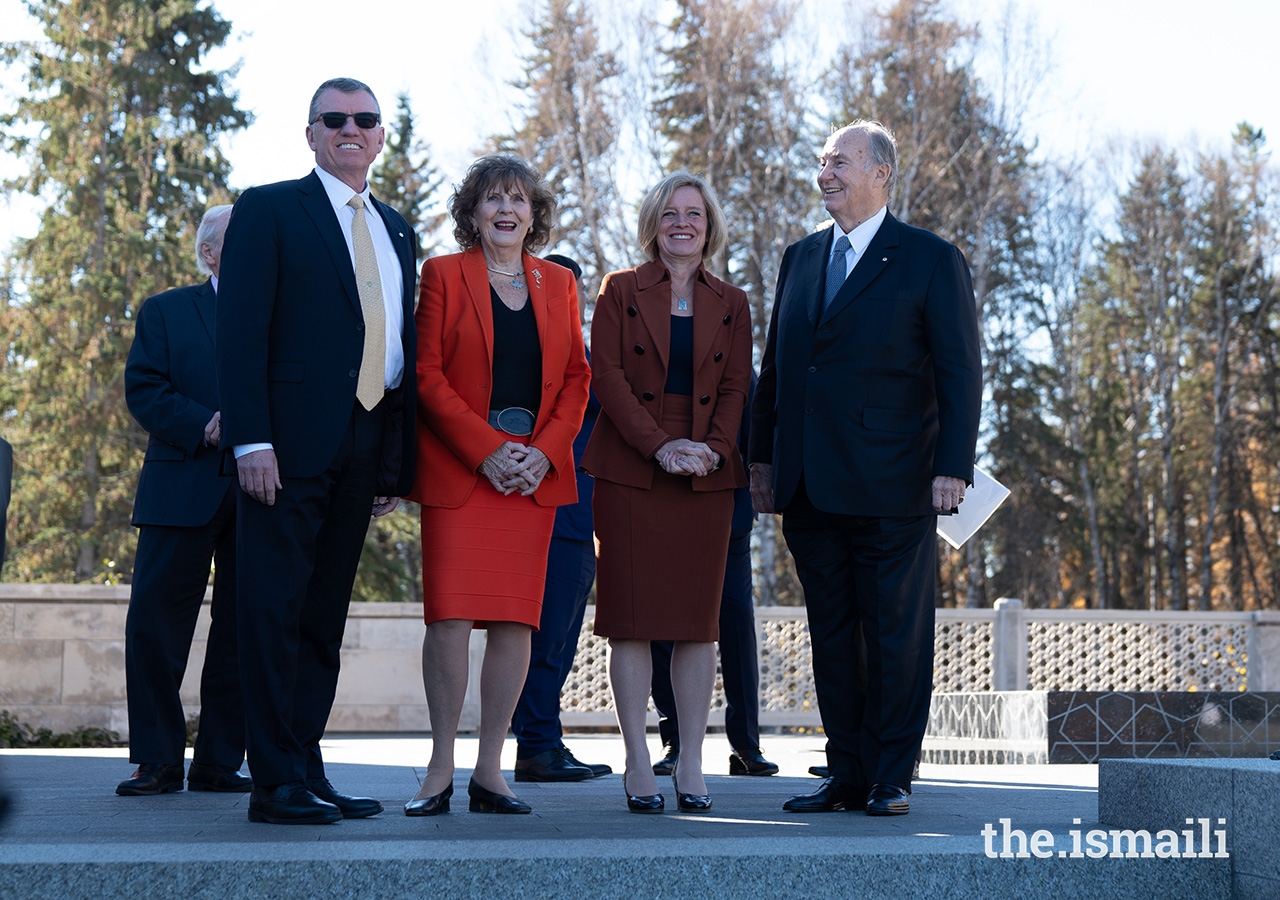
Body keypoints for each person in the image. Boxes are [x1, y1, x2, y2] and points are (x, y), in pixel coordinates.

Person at [750, 120, 982, 817]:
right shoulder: (799, 258)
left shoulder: (929, 259)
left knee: (893, 636)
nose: (826, 173)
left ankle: (891, 774)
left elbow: (959, 370)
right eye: (822, 162)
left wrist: (954, 467)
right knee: (832, 638)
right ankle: (847, 771)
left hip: (895, 482)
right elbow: (779, 369)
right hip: (808, 487)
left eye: (841, 162)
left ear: (882, 172)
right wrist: (762, 457)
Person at [215, 77, 418, 825]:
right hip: (283, 448)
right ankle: (272, 782)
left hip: (364, 446)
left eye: (365, 119)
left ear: (379, 137)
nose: (350, 129)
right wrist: (251, 439)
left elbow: (398, 345)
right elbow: (239, 333)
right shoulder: (269, 209)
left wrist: (395, 459)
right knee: (272, 612)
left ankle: (304, 764)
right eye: (334, 119)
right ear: (310, 134)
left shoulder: (396, 227)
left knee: (323, 617)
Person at [404, 156, 589, 817]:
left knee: (516, 622)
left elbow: (576, 380)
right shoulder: (444, 275)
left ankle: (490, 773)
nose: (506, 209)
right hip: (464, 474)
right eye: (492, 199)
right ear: (473, 212)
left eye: (518, 199)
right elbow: (426, 376)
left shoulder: (560, 283)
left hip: (530, 481)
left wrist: (541, 456)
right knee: (450, 620)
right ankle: (439, 768)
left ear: (534, 214)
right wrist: (487, 453)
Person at [582, 172, 752, 814]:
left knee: (695, 627)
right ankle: (635, 759)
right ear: (653, 222)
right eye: (671, 213)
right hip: (633, 466)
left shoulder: (733, 301)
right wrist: (659, 446)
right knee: (629, 622)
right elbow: (609, 378)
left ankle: (690, 760)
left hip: (707, 469)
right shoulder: (618, 290)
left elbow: (737, 387)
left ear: (710, 226)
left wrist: (711, 449)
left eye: (696, 214)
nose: (683, 223)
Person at [117, 205, 250, 797]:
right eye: (239, 240)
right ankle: (158, 760)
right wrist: (207, 424)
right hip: (180, 486)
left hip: (260, 492)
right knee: (155, 628)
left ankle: (220, 762)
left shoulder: (282, 316)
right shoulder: (166, 311)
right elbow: (144, 389)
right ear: (211, 252)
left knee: (246, 632)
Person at [510, 253, 610, 783]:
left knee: (560, 638)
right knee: (546, 638)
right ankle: (537, 745)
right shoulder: (546, 355)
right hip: (553, 516)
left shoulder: (579, 353)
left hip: (577, 517)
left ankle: (544, 738)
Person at [649, 371, 778, 779]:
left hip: (727, 515)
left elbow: (756, 427)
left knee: (737, 627)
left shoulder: (735, 357)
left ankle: (745, 745)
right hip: (662, 510)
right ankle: (676, 742)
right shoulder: (653, 349)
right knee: (664, 629)